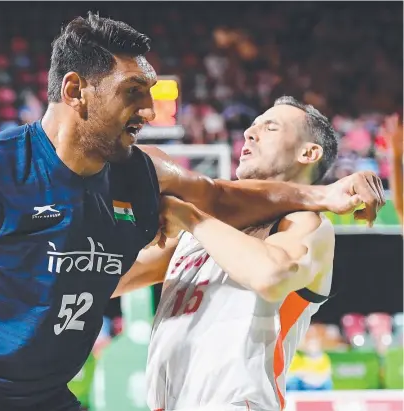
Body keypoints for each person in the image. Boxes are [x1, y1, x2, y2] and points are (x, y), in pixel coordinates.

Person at [0, 14, 384, 411]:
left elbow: (222, 198)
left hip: (45, 394)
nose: (149, 110)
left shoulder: (142, 174)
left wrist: (322, 196)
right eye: (134, 91)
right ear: (75, 91)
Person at [116, 96, 377, 411]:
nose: (249, 134)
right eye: (251, 128)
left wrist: (190, 217)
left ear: (308, 152)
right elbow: (113, 278)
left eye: (270, 128)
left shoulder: (304, 222)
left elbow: (271, 275)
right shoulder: (204, 227)